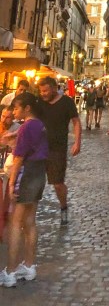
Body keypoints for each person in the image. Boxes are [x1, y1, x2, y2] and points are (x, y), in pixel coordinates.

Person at [0, 92, 48, 287]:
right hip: (38, 174)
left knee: (15, 223)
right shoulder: (39, 124)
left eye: (17, 108)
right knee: (29, 221)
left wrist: (11, 183)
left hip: (26, 175)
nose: (14, 111)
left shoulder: (26, 126)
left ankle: (9, 272)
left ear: (27, 108)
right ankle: (28, 266)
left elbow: (19, 157)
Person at [37, 75, 81, 227]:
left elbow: (76, 122)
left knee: (57, 183)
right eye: (41, 91)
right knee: (34, 180)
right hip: (38, 147)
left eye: (45, 91)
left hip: (57, 148)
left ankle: (63, 206)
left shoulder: (67, 102)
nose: (43, 94)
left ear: (54, 88)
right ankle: (30, 210)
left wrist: (77, 142)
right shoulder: (39, 103)